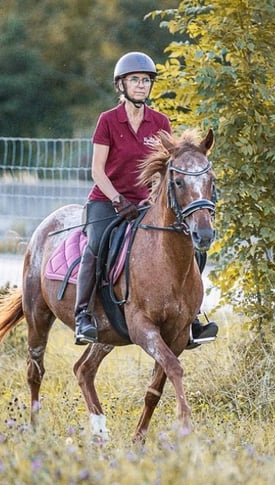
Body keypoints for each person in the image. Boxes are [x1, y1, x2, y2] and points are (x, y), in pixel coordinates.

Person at [74, 51, 218, 348]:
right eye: (135, 80)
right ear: (121, 85)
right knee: (96, 245)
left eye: (145, 80)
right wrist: (116, 200)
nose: (141, 85)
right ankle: (83, 316)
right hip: (106, 200)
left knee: (191, 245)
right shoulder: (108, 121)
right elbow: (96, 171)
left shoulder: (160, 121)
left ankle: (190, 317)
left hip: (145, 204)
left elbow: (169, 169)